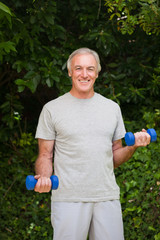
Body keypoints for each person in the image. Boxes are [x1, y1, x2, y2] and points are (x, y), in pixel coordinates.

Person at [34, 48, 151, 240]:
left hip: (106, 196)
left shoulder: (112, 108)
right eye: (78, 68)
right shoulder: (52, 109)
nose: (84, 74)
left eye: (90, 69)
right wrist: (45, 178)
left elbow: (115, 157)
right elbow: (45, 155)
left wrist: (133, 146)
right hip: (68, 198)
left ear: (97, 73)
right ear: (70, 71)